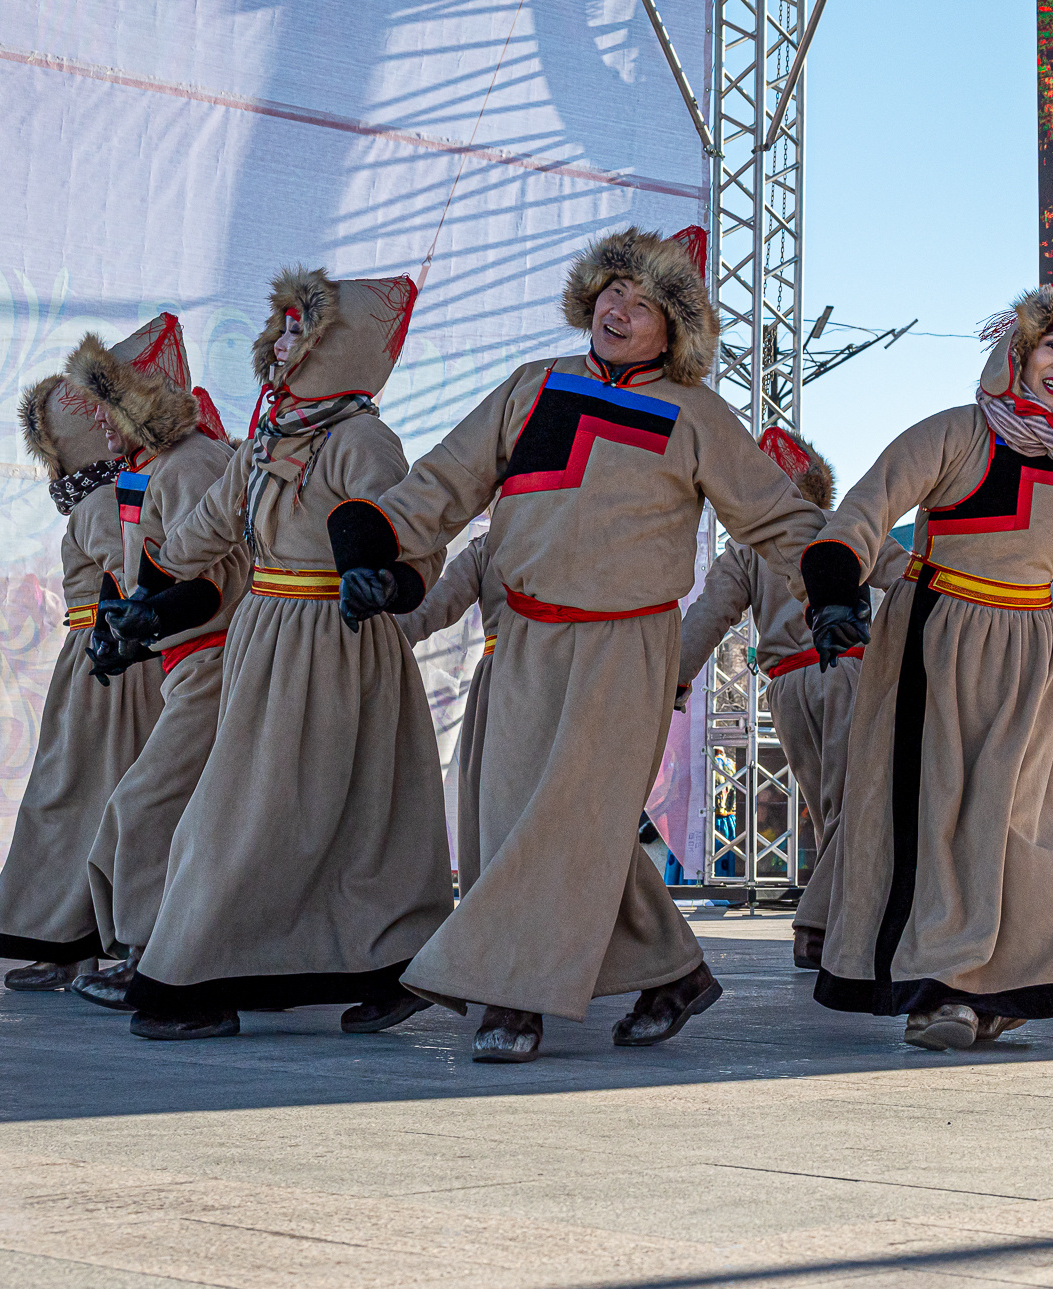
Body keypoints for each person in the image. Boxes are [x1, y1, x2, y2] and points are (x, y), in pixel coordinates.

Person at [331, 228, 835, 1063]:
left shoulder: (695, 413)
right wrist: (376, 553)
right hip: (525, 636)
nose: (619, 308)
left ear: (674, 329)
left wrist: (836, 587)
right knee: (549, 820)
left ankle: (513, 995)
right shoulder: (533, 388)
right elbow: (443, 483)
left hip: (625, 645)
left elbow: (776, 518)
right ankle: (671, 971)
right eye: (612, 290)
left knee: (563, 817)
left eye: (643, 302)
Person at [796, 281, 1053, 1051]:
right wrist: (835, 593)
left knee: (1026, 822)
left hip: (1030, 649)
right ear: (1020, 350)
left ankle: (1007, 977)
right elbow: (864, 513)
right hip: (935, 636)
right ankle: (941, 988)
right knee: (938, 815)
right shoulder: (954, 433)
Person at [106, 267, 453, 1040]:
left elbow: (411, 532)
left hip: (333, 643)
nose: (287, 341)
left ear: (344, 345)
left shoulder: (363, 439)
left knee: (281, 815)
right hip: (266, 635)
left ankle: (196, 976)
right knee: (294, 815)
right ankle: (378, 965)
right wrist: (151, 586)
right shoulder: (273, 434)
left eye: (305, 328)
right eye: (285, 326)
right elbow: (208, 525)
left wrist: (386, 579)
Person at [55, 314, 250, 1011]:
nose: (104, 428)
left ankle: (145, 957)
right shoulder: (156, 466)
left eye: (114, 409)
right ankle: (159, 950)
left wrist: (148, 622)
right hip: (187, 665)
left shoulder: (193, 461)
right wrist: (125, 633)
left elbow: (210, 578)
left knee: (145, 805)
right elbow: (148, 574)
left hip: (216, 663)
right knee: (173, 812)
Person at [673, 428, 907, 969]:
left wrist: (678, 678)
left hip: (786, 688)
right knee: (857, 801)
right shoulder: (837, 527)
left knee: (830, 809)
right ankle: (819, 927)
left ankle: (836, 926)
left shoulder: (747, 548)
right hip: (845, 671)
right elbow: (907, 577)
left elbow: (710, 612)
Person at [0, 363, 165, 987]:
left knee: (80, 796)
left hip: (108, 667)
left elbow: (133, 572)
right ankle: (79, 939)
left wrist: (120, 629)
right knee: (88, 797)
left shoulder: (99, 502)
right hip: (104, 660)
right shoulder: (112, 494)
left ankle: (75, 940)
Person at [392, 527, 504, 901]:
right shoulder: (490, 546)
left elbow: (429, 609)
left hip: (507, 689)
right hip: (511, 689)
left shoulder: (492, 544)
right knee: (498, 812)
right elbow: (429, 608)